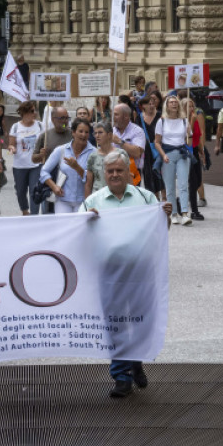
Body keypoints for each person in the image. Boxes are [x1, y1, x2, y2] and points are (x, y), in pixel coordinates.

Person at [81, 149, 172, 398]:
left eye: (119, 170)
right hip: (109, 274)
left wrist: (166, 217)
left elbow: (161, 231)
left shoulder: (145, 198)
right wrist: (86, 222)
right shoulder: (92, 202)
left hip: (141, 272)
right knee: (116, 324)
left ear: (129, 172)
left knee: (142, 321)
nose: (114, 175)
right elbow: (77, 235)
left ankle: (136, 360)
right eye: (110, 171)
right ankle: (121, 376)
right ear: (104, 173)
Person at [41, 118, 96, 214]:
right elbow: (43, 171)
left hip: (84, 201)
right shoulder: (61, 150)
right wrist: (54, 186)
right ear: (73, 132)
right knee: (64, 227)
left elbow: (94, 179)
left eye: (86, 132)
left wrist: (77, 167)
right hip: (63, 200)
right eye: (80, 131)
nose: (83, 135)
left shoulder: (94, 152)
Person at [156, 95, 193, 225]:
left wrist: (190, 133)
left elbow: (190, 139)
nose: (173, 104)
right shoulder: (162, 121)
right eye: (171, 102)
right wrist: (163, 155)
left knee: (183, 184)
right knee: (170, 186)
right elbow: (157, 142)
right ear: (166, 105)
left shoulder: (184, 121)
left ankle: (184, 213)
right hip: (168, 154)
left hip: (182, 153)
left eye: (175, 102)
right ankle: (173, 213)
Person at [9, 102, 45, 216]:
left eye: (35, 111)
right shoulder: (15, 127)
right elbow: (11, 144)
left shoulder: (40, 125)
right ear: (24, 113)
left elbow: (45, 141)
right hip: (20, 165)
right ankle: (25, 211)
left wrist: (43, 151)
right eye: (32, 111)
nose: (34, 113)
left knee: (34, 191)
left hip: (35, 164)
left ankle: (34, 215)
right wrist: (12, 149)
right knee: (20, 192)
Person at [184, 99, 206, 220]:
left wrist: (202, 151)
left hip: (195, 152)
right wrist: (191, 122)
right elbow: (187, 137)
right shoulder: (183, 121)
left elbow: (198, 136)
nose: (191, 108)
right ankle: (194, 210)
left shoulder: (195, 118)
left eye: (192, 106)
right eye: (188, 106)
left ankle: (182, 199)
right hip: (187, 152)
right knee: (193, 182)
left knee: (198, 181)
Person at [112, 104, 147, 175]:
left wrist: (119, 141)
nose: (113, 117)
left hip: (132, 171)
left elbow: (137, 153)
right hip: (114, 170)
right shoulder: (111, 131)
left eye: (116, 115)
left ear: (126, 116)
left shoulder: (137, 131)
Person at [85, 122, 118, 196]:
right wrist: (87, 204)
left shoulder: (120, 154)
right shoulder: (93, 156)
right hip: (98, 196)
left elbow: (127, 179)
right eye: (95, 133)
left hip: (116, 196)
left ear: (109, 135)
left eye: (100, 132)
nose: (97, 136)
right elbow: (88, 184)